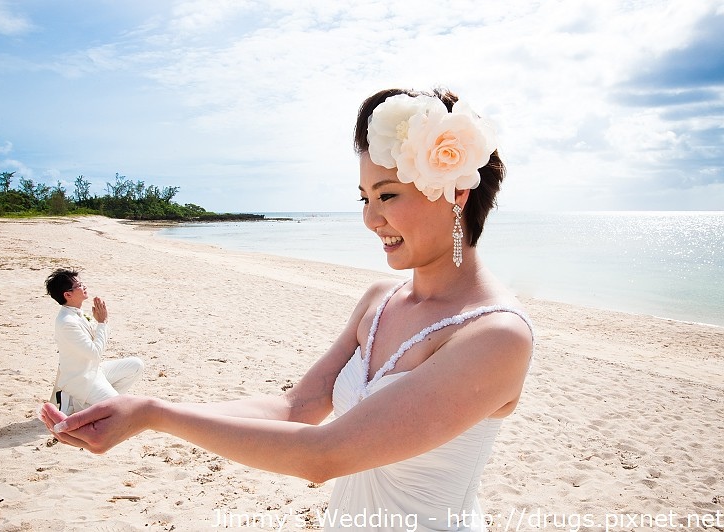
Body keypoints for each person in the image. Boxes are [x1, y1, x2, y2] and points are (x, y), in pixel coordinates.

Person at [40, 88, 534, 531]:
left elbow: (323, 454)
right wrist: (136, 413)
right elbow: (296, 408)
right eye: (363, 197)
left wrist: (153, 414)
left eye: (387, 196)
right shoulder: (379, 300)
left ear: (457, 193)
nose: (370, 219)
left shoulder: (495, 335)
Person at [44, 268, 144, 415]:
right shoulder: (67, 322)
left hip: (95, 371)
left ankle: (95, 405)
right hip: (81, 381)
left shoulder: (78, 313)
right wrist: (102, 323)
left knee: (136, 365)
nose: (84, 286)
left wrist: (100, 322)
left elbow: (97, 341)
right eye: (79, 285)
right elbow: (95, 353)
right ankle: (79, 403)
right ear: (67, 294)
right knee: (120, 409)